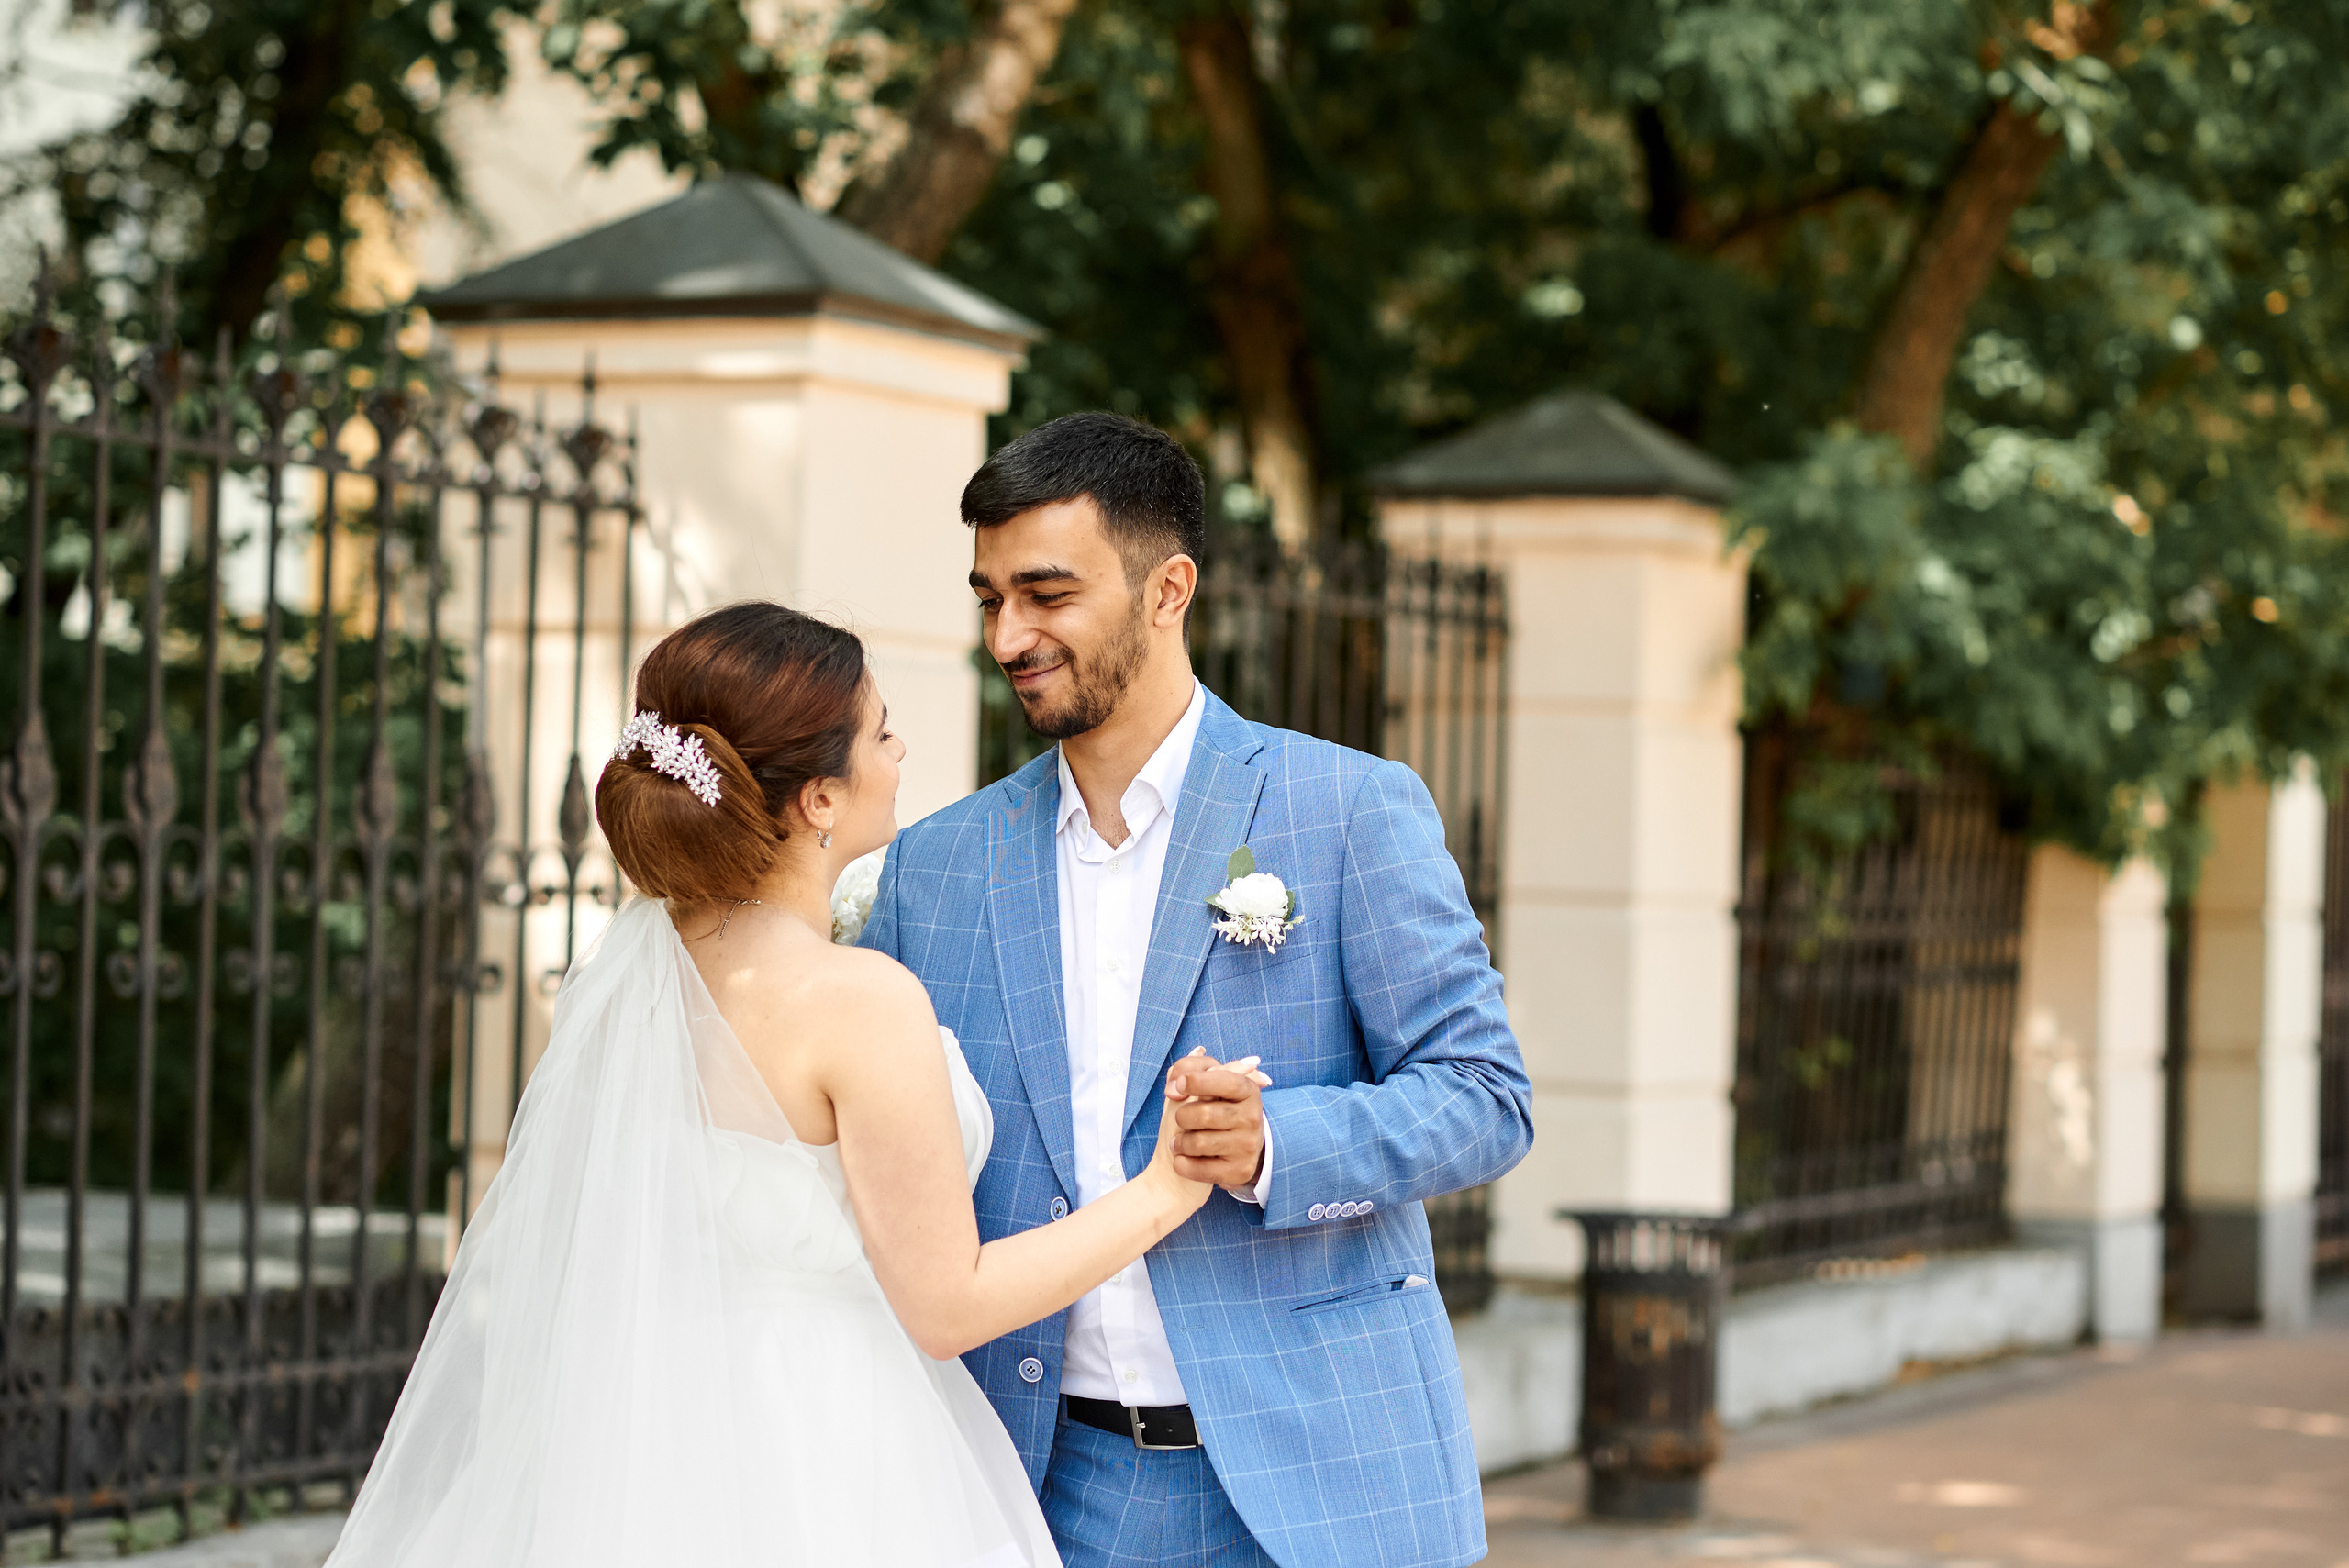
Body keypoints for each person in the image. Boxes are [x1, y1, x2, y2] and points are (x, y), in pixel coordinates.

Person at [323, 602, 1264, 1568]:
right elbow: (949, 1304)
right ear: (818, 798)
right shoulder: (855, 1000)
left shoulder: (633, 980)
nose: (900, 750)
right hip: (832, 1445)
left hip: (652, 1434)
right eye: (881, 732)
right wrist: (1165, 1187)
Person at [861, 412, 1533, 1568]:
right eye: (990, 599)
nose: (1009, 635)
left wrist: (1277, 1142)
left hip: (1321, 1485)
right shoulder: (935, 867)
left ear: (1167, 588)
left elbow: (1486, 1095)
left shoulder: (1347, 808)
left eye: (1047, 593)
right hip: (1036, 1488)